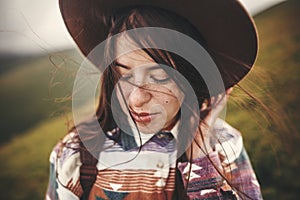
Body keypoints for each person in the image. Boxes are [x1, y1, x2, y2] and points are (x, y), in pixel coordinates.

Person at [46, 0, 263, 199]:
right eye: (124, 74)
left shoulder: (225, 145)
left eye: (159, 77)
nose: (136, 98)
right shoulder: (76, 153)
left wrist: (200, 156)